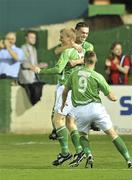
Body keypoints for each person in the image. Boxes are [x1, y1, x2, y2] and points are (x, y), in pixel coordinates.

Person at [61, 51, 132, 169]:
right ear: (95, 61)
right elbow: (112, 98)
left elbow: (65, 91)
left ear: (84, 61)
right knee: (112, 134)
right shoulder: (97, 76)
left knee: (83, 135)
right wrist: (115, 97)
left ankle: (89, 155)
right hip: (95, 108)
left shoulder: (74, 74)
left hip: (80, 110)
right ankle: (129, 161)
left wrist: (63, 105)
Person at [40, 28, 85, 166]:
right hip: (75, 89)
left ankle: (65, 153)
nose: (60, 40)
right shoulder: (80, 51)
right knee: (70, 122)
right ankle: (79, 151)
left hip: (65, 89)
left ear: (70, 38)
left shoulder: (67, 52)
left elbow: (58, 69)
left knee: (57, 120)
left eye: (62, 37)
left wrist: (40, 71)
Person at [49, 22, 99, 141]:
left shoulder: (88, 46)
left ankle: (92, 121)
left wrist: (76, 62)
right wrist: (71, 45)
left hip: (81, 79)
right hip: (64, 80)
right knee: (57, 108)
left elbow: (90, 58)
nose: (84, 35)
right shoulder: (67, 44)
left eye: (86, 33)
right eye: (82, 32)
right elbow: (56, 51)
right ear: (75, 31)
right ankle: (56, 129)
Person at [18, 30, 47, 105]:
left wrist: (40, 65)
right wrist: (36, 66)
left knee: (40, 87)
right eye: (31, 37)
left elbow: (35, 64)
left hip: (34, 78)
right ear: (26, 38)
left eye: (34, 38)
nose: (34, 39)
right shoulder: (23, 48)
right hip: (26, 78)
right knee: (35, 92)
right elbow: (24, 64)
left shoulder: (34, 49)